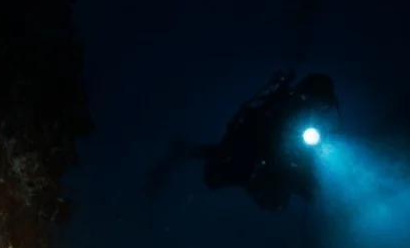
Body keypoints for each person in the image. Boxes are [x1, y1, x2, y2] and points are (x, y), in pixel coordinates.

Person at [145, 70, 340, 211]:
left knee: (280, 201)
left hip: (269, 164)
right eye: (318, 103)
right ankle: (183, 151)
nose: (318, 109)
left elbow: (300, 164)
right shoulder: (283, 104)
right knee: (216, 176)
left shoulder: (311, 118)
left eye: (323, 107)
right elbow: (255, 138)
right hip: (253, 150)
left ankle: (185, 151)